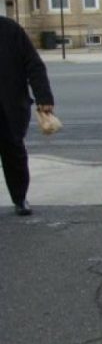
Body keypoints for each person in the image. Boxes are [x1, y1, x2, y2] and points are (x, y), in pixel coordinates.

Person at [0, 16, 55, 216]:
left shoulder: (10, 30)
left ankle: (20, 198)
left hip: (10, 106)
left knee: (14, 153)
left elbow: (34, 64)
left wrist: (44, 97)